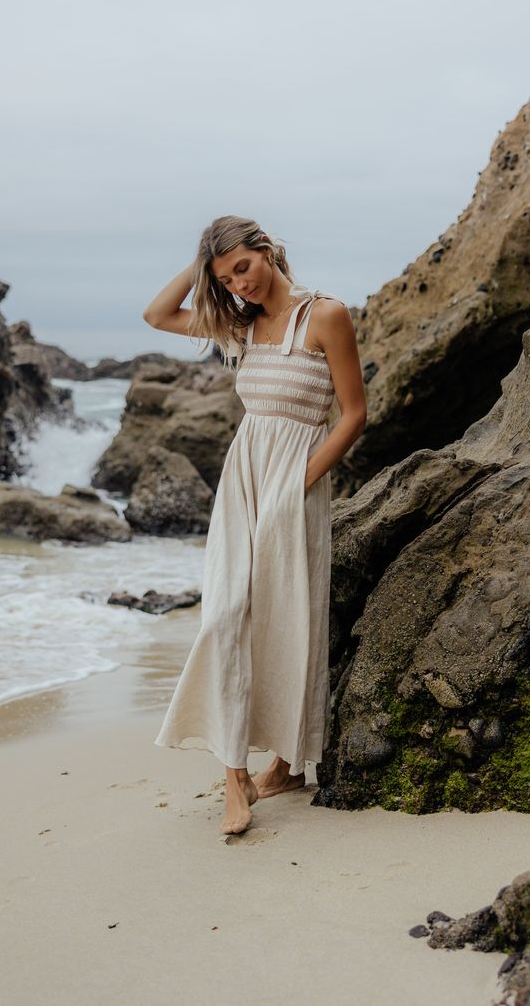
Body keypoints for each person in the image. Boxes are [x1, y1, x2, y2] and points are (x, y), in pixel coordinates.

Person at [143, 215, 367, 835]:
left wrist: (296, 486)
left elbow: (353, 416)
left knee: (285, 617)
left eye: (243, 266)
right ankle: (233, 774)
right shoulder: (238, 324)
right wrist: (202, 269)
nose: (238, 284)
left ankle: (290, 762)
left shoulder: (325, 315)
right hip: (242, 477)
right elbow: (157, 315)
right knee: (224, 613)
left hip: (296, 479)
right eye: (225, 278)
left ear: (266, 250)